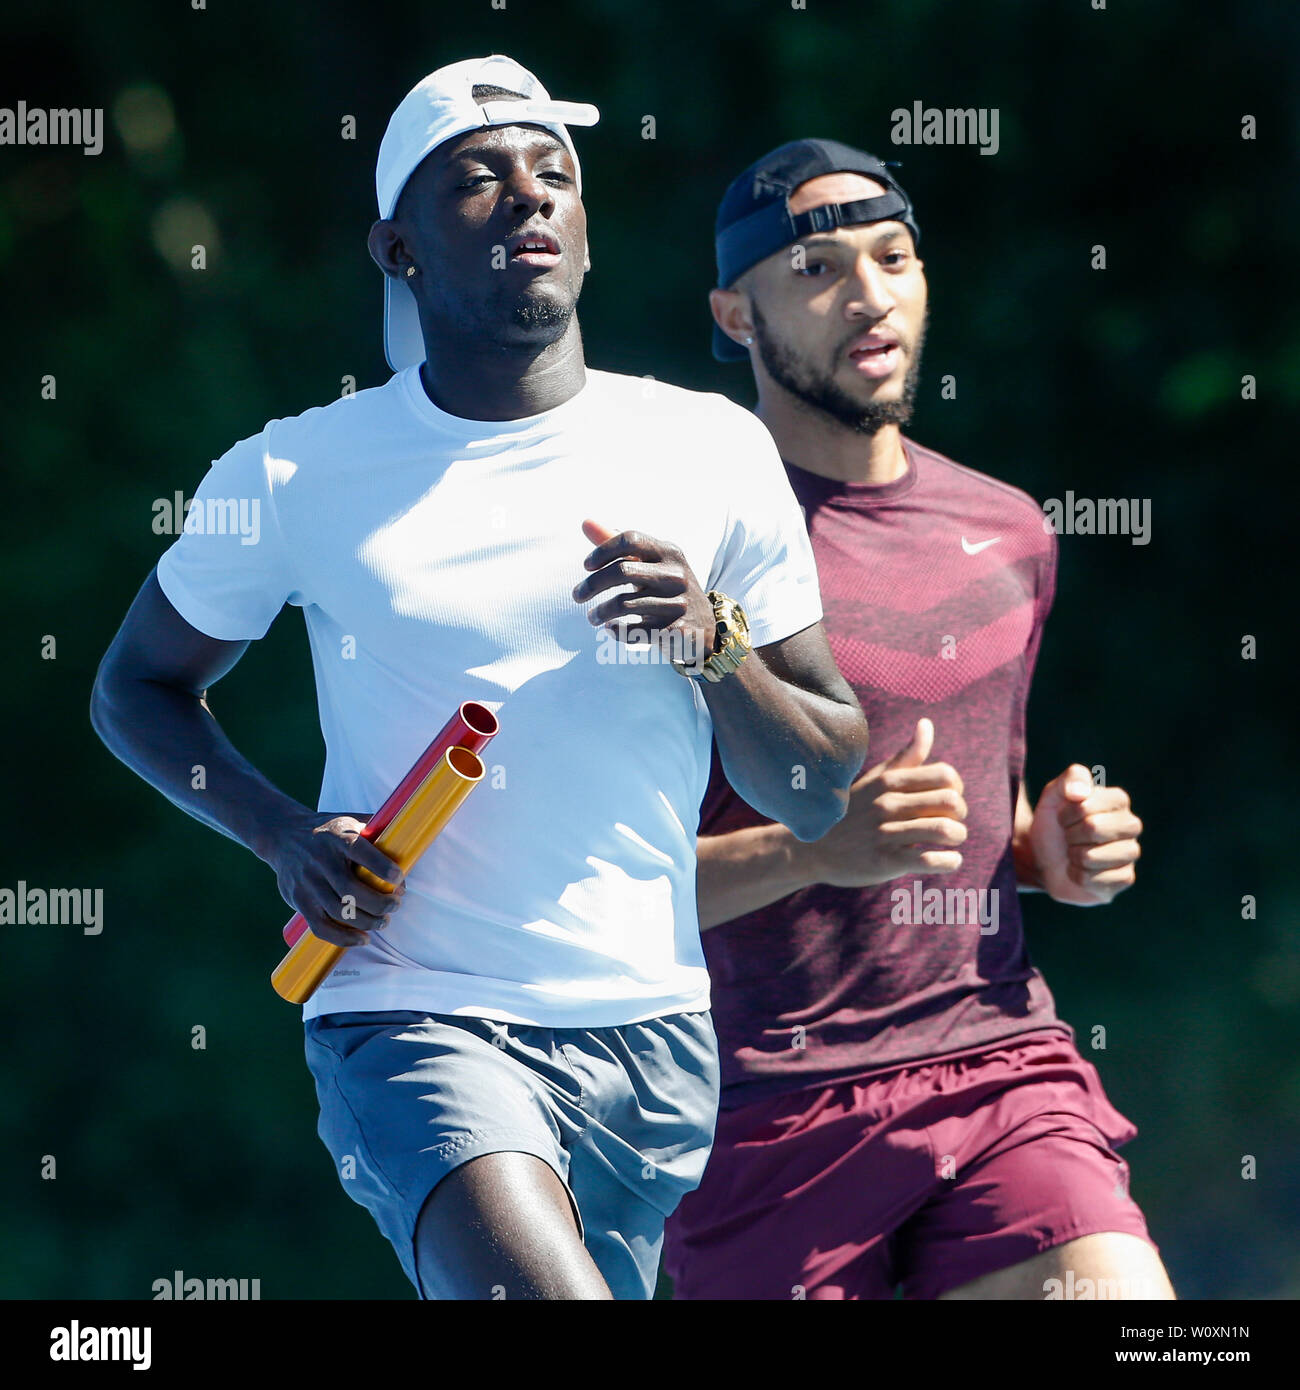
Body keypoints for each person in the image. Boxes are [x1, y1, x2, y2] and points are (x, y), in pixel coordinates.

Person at [89, 64, 869, 1301]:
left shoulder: (710, 447)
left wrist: (714, 646)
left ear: (587, 228)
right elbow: (134, 689)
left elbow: (820, 786)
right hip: (413, 1015)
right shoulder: (293, 472)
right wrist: (281, 832)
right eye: (478, 178)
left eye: (554, 173)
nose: (527, 198)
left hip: (653, 1032)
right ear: (397, 245)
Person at [661, 138, 1175, 1301]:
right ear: (734, 316)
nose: (869, 293)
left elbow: (970, 811)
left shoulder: (1009, 532)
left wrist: (1046, 853)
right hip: (758, 1113)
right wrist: (814, 850)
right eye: (818, 270)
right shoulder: (687, 559)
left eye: (893, 256)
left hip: (999, 1066)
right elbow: (591, 883)